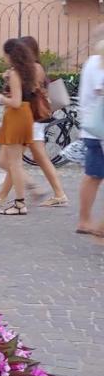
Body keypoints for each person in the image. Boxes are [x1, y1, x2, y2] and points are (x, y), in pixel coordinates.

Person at [0, 36, 68, 207]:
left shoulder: (32, 69)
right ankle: (7, 194)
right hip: (31, 119)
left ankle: (34, 190)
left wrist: (8, 83)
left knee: (12, 161)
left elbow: (19, 97)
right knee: (16, 160)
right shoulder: (29, 69)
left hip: (30, 119)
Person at [0, 38, 39, 216]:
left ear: (11, 55)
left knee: (14, 164)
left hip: (17, 116)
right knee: (5, 161)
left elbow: (15, 102)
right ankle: (27, 187)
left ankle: (20, 203)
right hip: (25, 115)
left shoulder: (16, 73)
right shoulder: (27, 71)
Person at [76, 37, 104, 237]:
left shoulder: (91, 62)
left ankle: (86, 221)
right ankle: (89, 222)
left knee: (93, 176)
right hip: (99, 131)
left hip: (93, 130)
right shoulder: (98, 65)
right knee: (93, 176)